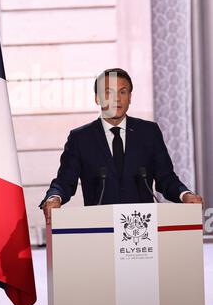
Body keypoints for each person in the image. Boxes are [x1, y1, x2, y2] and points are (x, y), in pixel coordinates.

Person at [40, 68, 203, 224]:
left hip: (142, 232)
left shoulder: (149, 132)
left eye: (122, 92)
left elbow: (165, 178)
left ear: (130, 97)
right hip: (99, 228)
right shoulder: (80, 138)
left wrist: (185, 195)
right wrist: (54, 198)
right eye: (108, 93)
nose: (117, 99)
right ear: (97, 98)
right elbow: (64, 181)